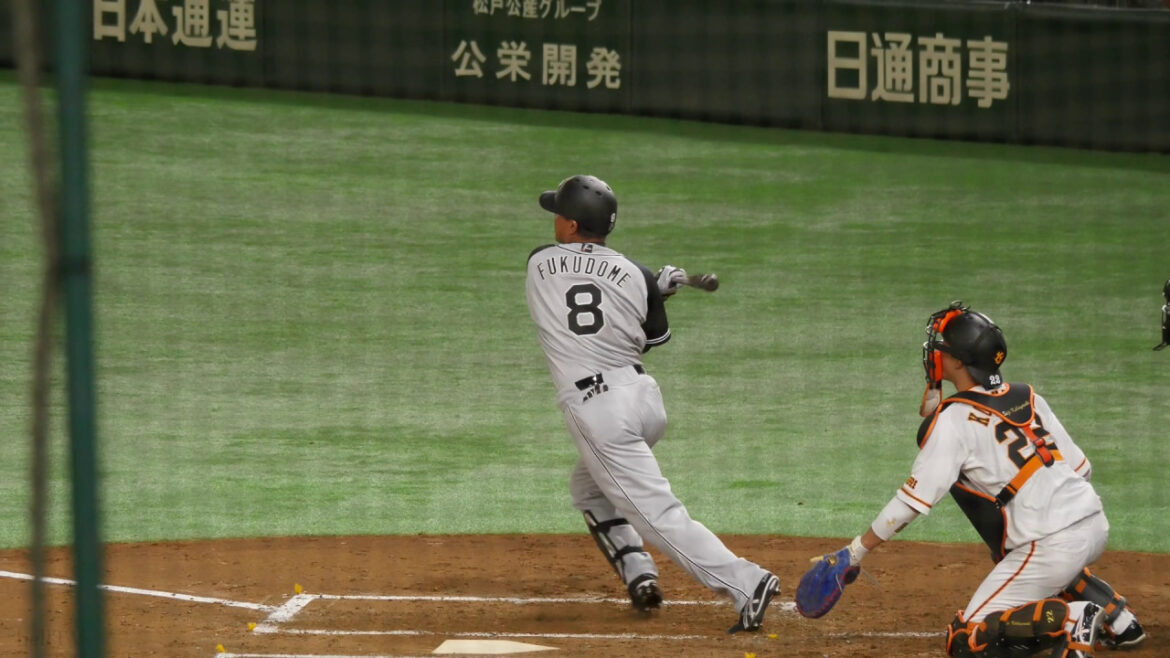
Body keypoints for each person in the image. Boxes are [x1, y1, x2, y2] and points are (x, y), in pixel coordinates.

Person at [810, 302, 1146, 657]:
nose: (935, 353)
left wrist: (855, 551)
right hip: (1094, 522)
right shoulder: (1028, 396)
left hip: (1051, 546)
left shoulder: (954, 420)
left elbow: (910, 503)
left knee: (966, 640)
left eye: (942, 347)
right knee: (1019, 551)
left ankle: (1073, 618)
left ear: (958, 361)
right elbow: (1081, 469)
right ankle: (1118, 619)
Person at [524, 174, 779, 633]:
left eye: (558, 214)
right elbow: (650, 337)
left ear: (572, 225)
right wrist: (655, 289)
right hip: (643, 401)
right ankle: (639, 574)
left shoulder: (539, 262)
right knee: (588, 489)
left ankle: (746, 582)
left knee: (657, 514)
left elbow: (582, 299)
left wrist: (653, 288)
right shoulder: (634, 273)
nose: (554, 221)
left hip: (599, 411)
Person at [1154, 278, 1169, 351]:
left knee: (1166, 324)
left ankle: (1165, 341)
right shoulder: (1168, 282)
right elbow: (1164, 294)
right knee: (1166, 324)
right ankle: (1166, 341)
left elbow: (1164, 294)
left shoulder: (1168, 282)